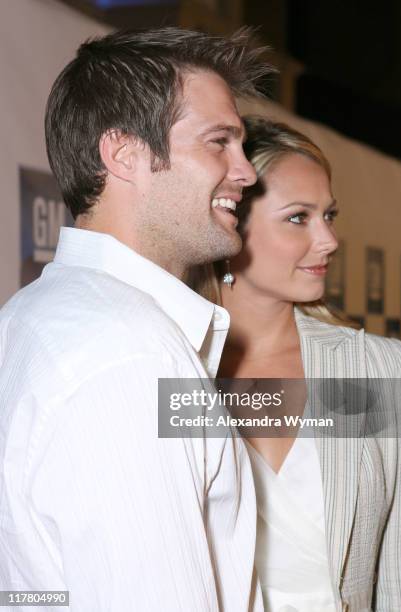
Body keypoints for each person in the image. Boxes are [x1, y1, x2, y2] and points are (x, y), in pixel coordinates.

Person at [0, 30, 276, 611]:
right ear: (124, 154)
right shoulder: (128, 352)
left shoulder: (33, 314)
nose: (245, 172)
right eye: (218, 142)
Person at [189, 116, 401, 611]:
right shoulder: (172, 363)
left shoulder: (374, 368)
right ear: (228, 222)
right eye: (298, 218)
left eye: (329, 216)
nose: (329, 240)